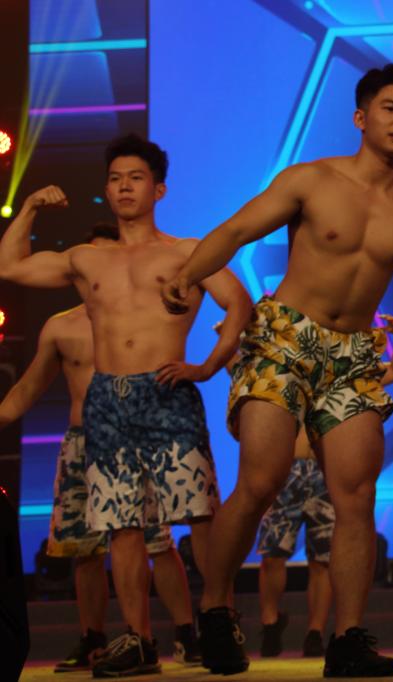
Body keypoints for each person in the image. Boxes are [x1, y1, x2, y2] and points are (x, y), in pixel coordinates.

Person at [160, 63, 393, 677]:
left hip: (353, 356)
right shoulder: (312, 181)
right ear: (361, 117)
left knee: (357, 495)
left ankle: (347, 640)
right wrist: (188, 275)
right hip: (285, 339)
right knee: (261, 481)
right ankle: (216, 609)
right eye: (390, 108)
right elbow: (236, 229)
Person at [0, 135, 251, 677]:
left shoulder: (187, 252)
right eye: (115, 179)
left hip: (166, 390)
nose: (124, 187)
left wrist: (207, 367)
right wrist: (30, 206)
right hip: (107, 400)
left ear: (158, 189)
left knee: (199, 515)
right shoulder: (86, 258)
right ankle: (139, 640)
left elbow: (239, 304)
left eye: (135, 177)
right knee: (121, 525)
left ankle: (219, 618)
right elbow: (10, 267)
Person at [0, 224, 203, 672]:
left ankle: (187, 632)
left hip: (135, 434)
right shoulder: (61, 327)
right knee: (83, 547)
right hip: (81, 444)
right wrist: (31, 209)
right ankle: (93, 638)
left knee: (156, 541)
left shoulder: (144, 317)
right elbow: (27, 389)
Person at [257, 314, 393, 659]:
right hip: (288, 471)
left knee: (322, 559)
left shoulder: (351, 375)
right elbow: (245, 375)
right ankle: (269, 622)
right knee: (273, 553)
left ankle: (315, 631)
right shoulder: (291, 369)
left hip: (325, 472)